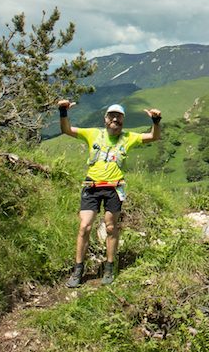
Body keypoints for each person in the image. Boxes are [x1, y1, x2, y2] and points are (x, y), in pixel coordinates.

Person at [57, 99, 161, 287]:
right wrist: (63, 112)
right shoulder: (93, 134)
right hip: (92, 186)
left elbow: (153, 137)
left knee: (111, 227)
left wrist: (156, 121)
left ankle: (109, 267)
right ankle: (78, 270)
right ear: (105, 119)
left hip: (114, 187)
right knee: (84, 227)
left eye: (119, 116)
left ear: (123, 120)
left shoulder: (129, 137)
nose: (115, 119)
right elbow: (67, 130)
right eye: (112, 116)